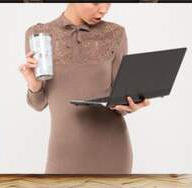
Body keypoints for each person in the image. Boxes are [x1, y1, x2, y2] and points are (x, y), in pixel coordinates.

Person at [19, 3, 150, 174]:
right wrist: (33, 83)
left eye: (108, 3)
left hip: (112, 149)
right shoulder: (39, 34)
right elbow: (39, 105)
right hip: (63, 151)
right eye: (96, 2)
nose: (103, 9)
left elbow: (119, 97)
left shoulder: (116, 33)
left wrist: (130, 105)